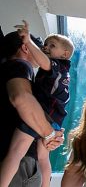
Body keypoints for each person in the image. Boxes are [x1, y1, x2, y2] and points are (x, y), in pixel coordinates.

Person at [0, 21, 74, 187]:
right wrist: (49, 133)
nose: (44, 50)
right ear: (26, 48)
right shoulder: (20, 65)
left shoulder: (41, 74)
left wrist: (48, 133)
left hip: (26, 164)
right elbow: (21, 98)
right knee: (25, 153)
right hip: (23, 168)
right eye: (42, 46)